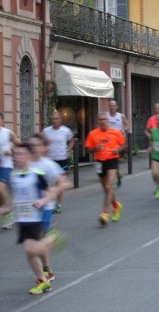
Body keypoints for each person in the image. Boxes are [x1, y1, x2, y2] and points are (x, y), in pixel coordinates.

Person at [0, 143, 66, 295]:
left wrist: (43, 201)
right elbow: (13, 201)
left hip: (36, 217)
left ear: (29, 157)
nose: (17, 157)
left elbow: (51, 192)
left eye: (21, 154)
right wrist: (5, 209)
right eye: (16, 155)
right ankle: (43, 281)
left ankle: (53, 237)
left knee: (31, 249)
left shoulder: (37, 174)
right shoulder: (13, 176)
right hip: (21, 219)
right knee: (29, 253)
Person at [28, 133, 71, 283]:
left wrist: (52, 193)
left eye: (36, 145)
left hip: (45, 207)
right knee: (38, 240)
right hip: (29, 209)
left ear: (44, 148)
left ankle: (43, 275)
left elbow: (65, 183)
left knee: (35, 242)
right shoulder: (26, 163)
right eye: (30, 145)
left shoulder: (48, 165)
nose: (32, 148)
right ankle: (47, 270)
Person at [85, 113, 125, 226]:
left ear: (108, 121)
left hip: (112, 160)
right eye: (101, 119)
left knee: (108, 186)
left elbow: (122, 145)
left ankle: (105, 214)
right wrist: (95, 148)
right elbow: (88, 150)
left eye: (105, 119)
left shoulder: (115, 132)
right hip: (99, 162)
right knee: (106, 189)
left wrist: (118, 150)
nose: (103, 121)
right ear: (98, 122)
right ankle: (116, 206)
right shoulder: (93, 134)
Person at [42, 111, 74, 214]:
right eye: (53, 119)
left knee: (59, 183)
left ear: (60, 120)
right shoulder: (46, 131)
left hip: (62, 160)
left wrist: (68, 150)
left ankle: (58, 205)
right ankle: (49, 203)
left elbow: (72, 140)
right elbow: (42, 142)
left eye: (56, 119)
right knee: (50, 183)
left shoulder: (66, 131)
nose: (54, 121)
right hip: (50, 161)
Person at [0, 112, 21, 229]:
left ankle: (8, 206)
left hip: (6, 165)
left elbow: (19, 144)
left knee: (0, 186)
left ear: (2, 121)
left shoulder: (8, 133)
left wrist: (11, 151)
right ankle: (8, 216)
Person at [107, 100, 129, 188]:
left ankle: (117, 175)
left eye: (113, 106)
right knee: (111, 160)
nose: (112, 107)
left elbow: (127, 124)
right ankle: (117, 174)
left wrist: (123, 130)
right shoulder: (106, 116)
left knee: (114, 160)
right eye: (110, 106)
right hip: (108, 142)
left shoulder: (121, 116)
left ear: (116, 107)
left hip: (118, 142)